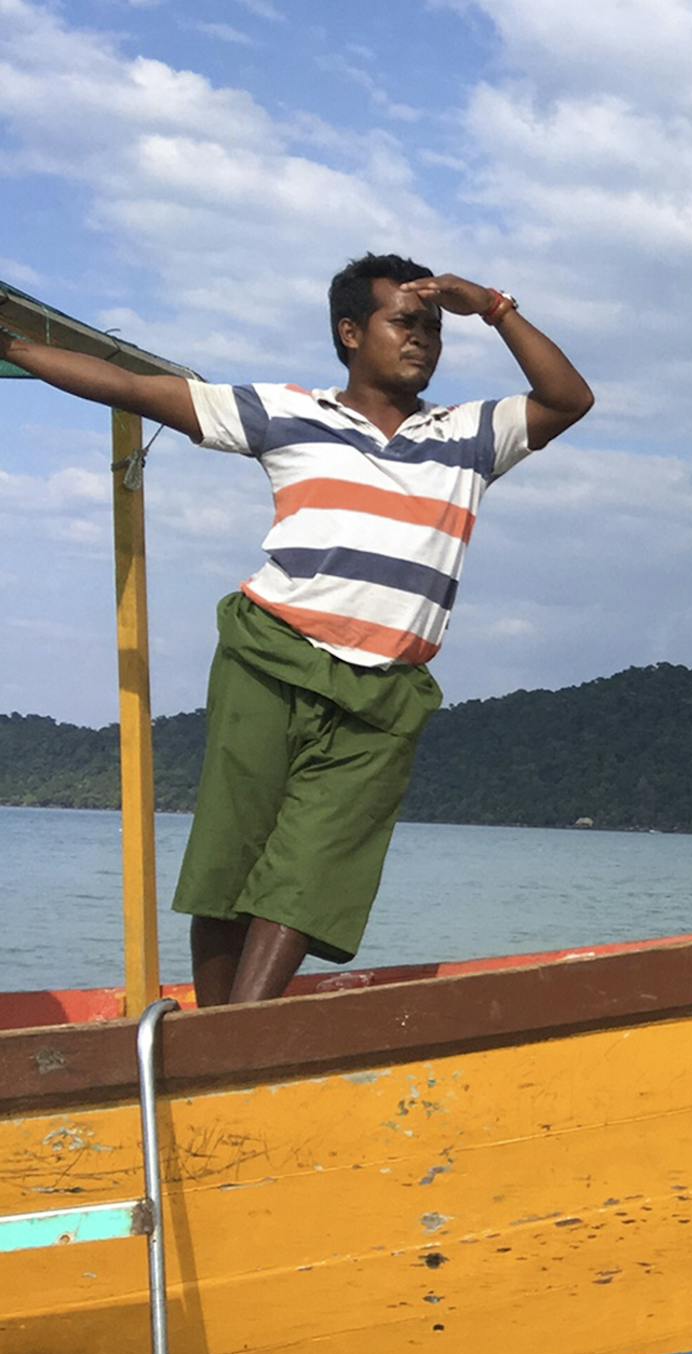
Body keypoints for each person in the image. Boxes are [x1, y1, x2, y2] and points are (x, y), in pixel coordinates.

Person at [0, 253, 593, 1003]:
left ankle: (238, 1044)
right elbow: (132, 388)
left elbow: (568, 397)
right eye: (404, 323)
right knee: (230, 860)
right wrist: (14, 349)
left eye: (435, 330)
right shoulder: (287, 413)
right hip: (270, 657)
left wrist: (495, 308)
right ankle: (224, 1038)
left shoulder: (471, 436)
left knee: (310, 874)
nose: (423, 341)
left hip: (384, 692)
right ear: (351, 332)